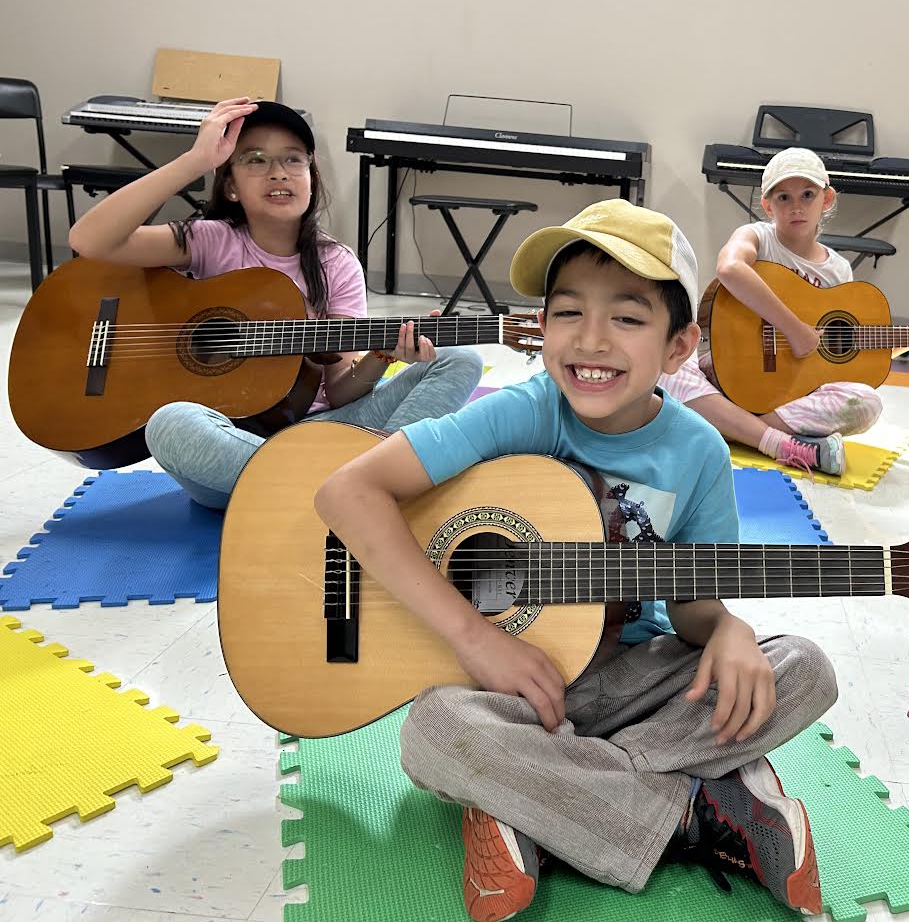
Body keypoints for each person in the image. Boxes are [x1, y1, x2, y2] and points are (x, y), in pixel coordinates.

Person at [315, 199, 838, 919]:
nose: (590, 342)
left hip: (630, 679)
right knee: (433, 732)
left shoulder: (698, 453)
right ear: (540, 328)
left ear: (679, 346)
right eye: (567, 313)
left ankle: (536, 807)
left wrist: (727, 632)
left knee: (802, 667)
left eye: (626, 318)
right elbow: (348, 492)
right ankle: (700, 813)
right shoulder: (524, 411)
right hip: (505, 685)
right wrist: (475, 636)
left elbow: (693, 613)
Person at [67, 97, 482, 508]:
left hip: (320, 430)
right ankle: (350, 494)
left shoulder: (336, 263)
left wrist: (378, 354)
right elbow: (90, 240)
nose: (277, 173)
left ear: (311, 177)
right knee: (170, 423)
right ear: (229, 185)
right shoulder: (211, 240)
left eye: (293, 160)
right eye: (255, 160)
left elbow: (338, 394)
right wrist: (194, 161)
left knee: (461, 359)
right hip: (228, 447)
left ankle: (339, 491)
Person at [662, 148, 909, 476]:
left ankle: (731, 426)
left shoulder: (838, 271)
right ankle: (777, 442)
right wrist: (793, 328)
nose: (796, 206)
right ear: (768, 205)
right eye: (784, 197)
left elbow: (845, 349)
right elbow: (729, 269)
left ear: (826, 199)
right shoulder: (756, 237)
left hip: (786, 390)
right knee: (667, 367)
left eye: (808, 195)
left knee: (866, 402)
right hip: (721, 368)